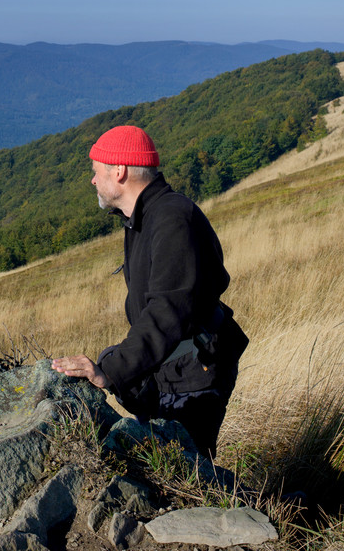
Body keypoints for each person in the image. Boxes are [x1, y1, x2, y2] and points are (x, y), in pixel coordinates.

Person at [51, 125, 248, 458]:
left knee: (186, 469)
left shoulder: (171, 219)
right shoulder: (144, 217)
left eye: (96, 171)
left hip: (193, 370)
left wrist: (112, 370)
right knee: (168, 462)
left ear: (120, 170)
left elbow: (168, 312)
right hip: (175, 365)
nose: (93, 180)